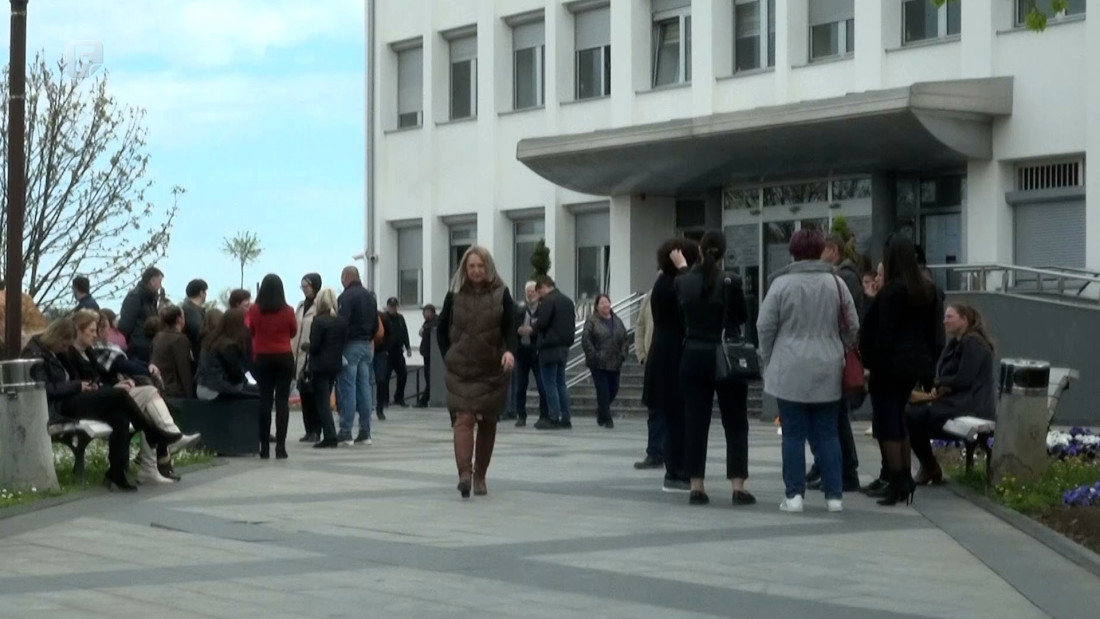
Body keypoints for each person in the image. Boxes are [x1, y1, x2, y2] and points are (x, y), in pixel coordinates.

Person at [758, 229, 859, 513]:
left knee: (792, 433)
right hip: (829, 364)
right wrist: (841, 346)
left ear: (793, 252)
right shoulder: (837, 284)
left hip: (789, 365)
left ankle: (794, 496)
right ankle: (835, 496)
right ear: (821, 250)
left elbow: (764, 326)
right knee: (828, 433)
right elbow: (853, 325)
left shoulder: (781, 285)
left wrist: (770, 356)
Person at [22, 318, 181, 491]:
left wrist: (88, 384)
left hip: (73, 397)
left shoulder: (57, 351)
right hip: (59, 406)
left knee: (119, 416)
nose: (66, 350)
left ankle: (117, 473)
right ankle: (151, 432)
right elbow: (45, 388)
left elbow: (79, 373)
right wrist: (77, 385)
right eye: (65, 345)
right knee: (119, 395)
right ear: (57, 338)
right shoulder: (35, 353)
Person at [68, 310, 199, 485]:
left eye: (96, 330)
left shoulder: (89, 351)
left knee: (146, 403)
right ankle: (163, 444)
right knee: (148, 393)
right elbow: (88, 381)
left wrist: (115, 386)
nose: (96, 334)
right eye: (91, 330)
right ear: (78, 330)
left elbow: (100, 378)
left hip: (104, 395)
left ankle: (153, 460)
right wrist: (113, 387)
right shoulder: (72, 352)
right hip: (89, 401)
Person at [676, 231, 755, 506]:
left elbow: (679, 319)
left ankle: (696, 486)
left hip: (693, 355)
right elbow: (742, 317)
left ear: (699, 249)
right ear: (722, 254)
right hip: (725, 358)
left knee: (695, 422)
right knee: (735, 421)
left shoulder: (682, 281)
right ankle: (738, 487)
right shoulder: (730, 281)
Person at [859, 234, 940, 506]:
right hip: (914, 364)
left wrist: (872, 366)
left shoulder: (893, 291)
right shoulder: (926, 290)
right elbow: (932, 333)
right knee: (898, 417)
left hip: (890, 364)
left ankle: (897, 480)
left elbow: (883, 333)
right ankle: (903, 478)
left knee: (886, 422)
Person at [438, 246, 517, 498]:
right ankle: (465, 474)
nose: (475, 270)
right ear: (465, 268)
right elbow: (441, 330)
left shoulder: (502, 294)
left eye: (480, 266)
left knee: (488, 422)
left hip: (491, 369)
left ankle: (480, 476)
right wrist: (449, 356)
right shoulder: (453, 296)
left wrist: (509, 352)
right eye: (471, 266)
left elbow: (511, 327)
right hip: (460, 370)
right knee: (463, 418)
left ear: (488, 267)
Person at [907, 304, 996, 485]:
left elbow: (964, 378)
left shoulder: (973, 343)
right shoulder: (957, 342)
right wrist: (941, 385)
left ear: (964, 320)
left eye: (949, 317)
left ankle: (929, 466)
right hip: (959, 400)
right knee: (909, 414)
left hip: (972, 404)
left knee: (912, 416)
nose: (944, 321)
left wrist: (941, 384)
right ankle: (929, 465)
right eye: (945, 317)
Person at [804, 234, 864, 493]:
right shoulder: (842, 277)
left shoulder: (843, 278)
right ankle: (830, 467)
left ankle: (844, 471)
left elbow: (849, 322)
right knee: (832, 417)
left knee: (836, 418)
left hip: (833, 355)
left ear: (831, 250)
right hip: (833, 352)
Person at [644, 238, 700, 492]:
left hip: (665, 355)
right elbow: (691, 297)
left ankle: (678, 469)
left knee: (677, 417)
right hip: (671, 357)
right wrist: (684, 268)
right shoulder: (672, 283)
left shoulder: (664, 282)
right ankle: (676, 471)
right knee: (677, 417)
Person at [248, 274, 297, 460]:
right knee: (282, 402)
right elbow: (293, 331)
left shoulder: (254, 310)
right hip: (284, 357)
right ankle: (281, 448)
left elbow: (251, 330)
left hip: (262, 358)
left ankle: (264, 448)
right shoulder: (288, 310)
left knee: (265, 401)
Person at [336, 266, 379, 445]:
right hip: (366, 346)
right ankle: (365, 431)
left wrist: (338, 346)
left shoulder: (345, 297)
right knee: (364, 388)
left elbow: (342, 323)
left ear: (346, 277)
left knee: (348, 388)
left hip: (351, 345)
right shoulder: (370, 297)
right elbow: (376, 324)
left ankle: (346, 431)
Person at [532, 276, 576, 431]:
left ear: (543, 286)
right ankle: (566, 417)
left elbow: (542, 323)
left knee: (549, 383)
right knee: (561, 383)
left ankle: (553, 417)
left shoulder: (549, 301)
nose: (539, 296)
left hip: (549, 347)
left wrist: (534, 325)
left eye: (539, 292)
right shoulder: (568, 301)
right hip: (564, 347)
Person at [581, 294, 629, 429]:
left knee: (613, 388)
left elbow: (625, 339)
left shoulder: (617, 320)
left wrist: (623, 354)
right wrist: (594, 355)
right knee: (603, 390)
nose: (605, 305)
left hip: (615, 361)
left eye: (606, 302)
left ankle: (602, 411)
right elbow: (586, 339)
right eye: (602, 303)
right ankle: (607, 419)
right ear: (597, 306)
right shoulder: (592, 321)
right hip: (598, 363)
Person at [308, 288, 347, 448]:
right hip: (335, 365)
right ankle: (331, 434)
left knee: (322, 401)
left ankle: (329, 435)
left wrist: (306, 346)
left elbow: (315, 346)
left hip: (320, 366)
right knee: (327, 396)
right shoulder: (341, 321)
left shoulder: (318, 321)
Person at [633, 283, 664, 469]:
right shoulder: (650, 296)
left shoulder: (682, 289)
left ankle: (670, 452)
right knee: (654, 410)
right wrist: (641, 355)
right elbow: (640, 325)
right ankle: (654, 452)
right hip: (652, 359)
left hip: (672, 359)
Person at [196, 308, 255, 400]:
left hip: (203, 388)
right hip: (218, 390)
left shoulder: (210, 340)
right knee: (260, 393)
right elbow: (236, 376)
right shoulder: (228, 346)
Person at [512, 282, 548, 427]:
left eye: (532, 291)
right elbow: (512, 326)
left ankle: (544, 415)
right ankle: (521, 415)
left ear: (538, 293)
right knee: (521, 386)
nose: (530, 294)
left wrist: (532, 331)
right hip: (522, 352)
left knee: (542, 385)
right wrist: (518, 330)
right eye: (528, 291)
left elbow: (545, 328)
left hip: (537, 352)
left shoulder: (543, 310)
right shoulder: (520, 310)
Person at [293, 273, 322, 442]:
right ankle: (308, 429)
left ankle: (316, 429)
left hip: (313, 355)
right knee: (303, 393)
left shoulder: (320, 305)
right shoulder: (300, 306)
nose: (304, 290)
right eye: (302, 287)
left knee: (314, 394)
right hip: (299, 356)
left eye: (307, 286)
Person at [118, 266, 164, 363]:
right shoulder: (135, 297)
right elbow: (125, 325)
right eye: (160, 282)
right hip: (137, 349)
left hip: (147, 345)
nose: (160, 286)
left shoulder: (150, 300)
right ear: (152, 281)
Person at [151, 305, 195, 398]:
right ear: (179, 319)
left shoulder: (158, 337)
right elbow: (184, 369)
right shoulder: (180, 339)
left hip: (159, 386)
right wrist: (190, 395)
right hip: (175, 391)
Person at [381, 297, 412, 408]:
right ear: (387, 306)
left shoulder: (400, 318)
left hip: (398, 351)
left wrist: (408, 347)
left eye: (395, 306)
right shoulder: (384, 318)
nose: (393, 308)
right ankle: (384, 400)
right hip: (387, 352)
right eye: (391, 306)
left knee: (403, 374)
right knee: (385, 377)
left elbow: (405, 333)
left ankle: (399, 398)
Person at [415, 304, 439, 408]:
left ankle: (423, 400)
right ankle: (424, 400)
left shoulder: (434, 322)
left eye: (425, 312)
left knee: (430, 378)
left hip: (432, 355)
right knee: (427, 377)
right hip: (427, 354)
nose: (423, 314)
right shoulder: (427, 322)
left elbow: (429, 332)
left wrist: (423, 331)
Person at [181, 279, 208, 369]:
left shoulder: (191, 309)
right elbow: (199, 331)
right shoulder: (191, 310)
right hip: (195, 354)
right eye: (205, 292)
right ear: (201, 292)